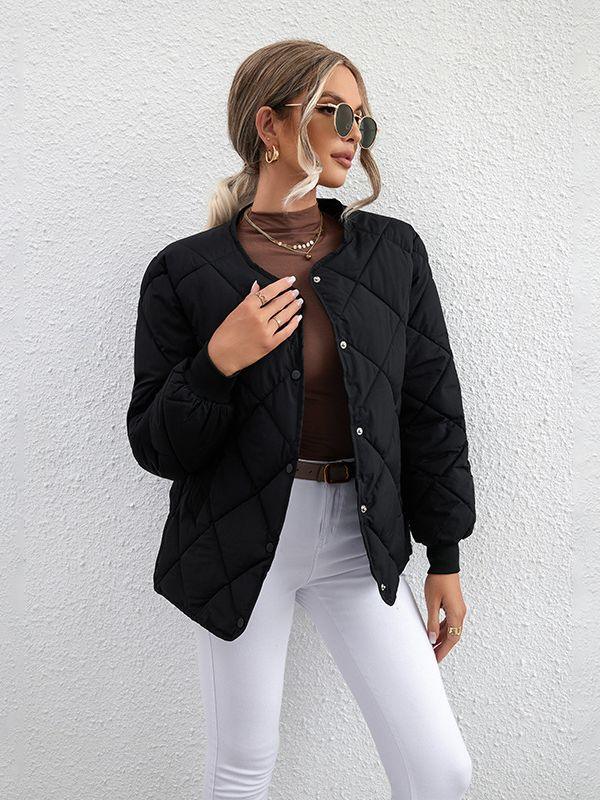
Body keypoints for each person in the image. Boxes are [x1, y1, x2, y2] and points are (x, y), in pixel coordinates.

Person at [127, 39, 476, 800]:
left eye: (364, 120)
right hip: (241, 538)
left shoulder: (393, 254)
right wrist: (217, 361)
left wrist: (444, 555)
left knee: (441, 770)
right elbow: (155, 443)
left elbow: (431, 410)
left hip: (361, 539)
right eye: (335, 113)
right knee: (243, 768)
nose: (355, 134)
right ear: (270, 125)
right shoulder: (184, 271)